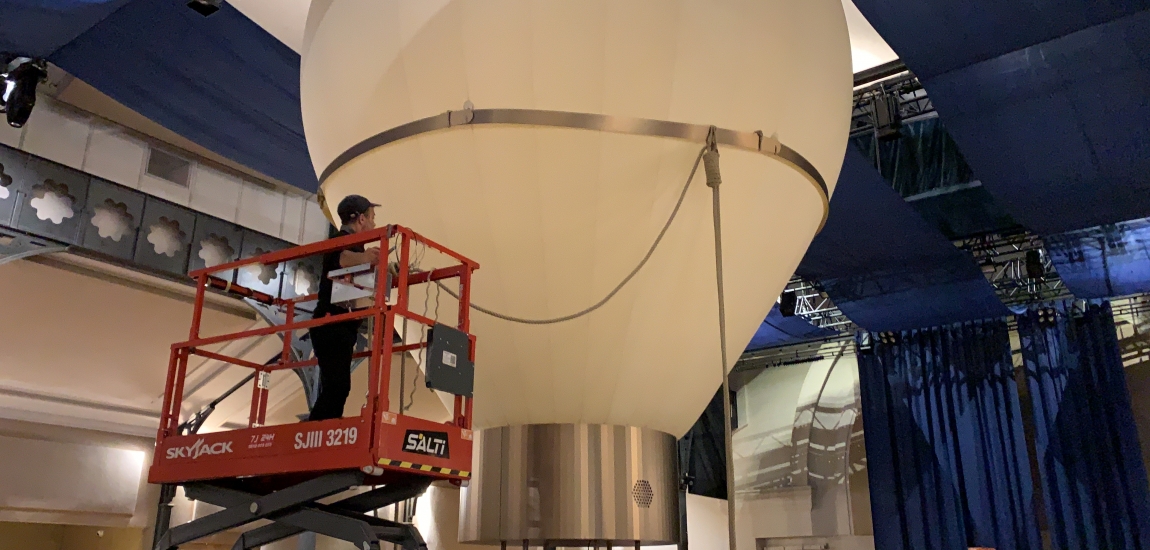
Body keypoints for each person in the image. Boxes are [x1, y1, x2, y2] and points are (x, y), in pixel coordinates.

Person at [307, 194, 382, 421]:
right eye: (372, 217)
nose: (374, 223)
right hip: (332, 324)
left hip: (337, 326)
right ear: (361, 219)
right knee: (337, 387)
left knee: (336, 387)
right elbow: (342, 257)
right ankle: (316, 430)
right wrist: (366, 258)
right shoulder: (341, 241)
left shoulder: (351, 245)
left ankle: (319, 429)